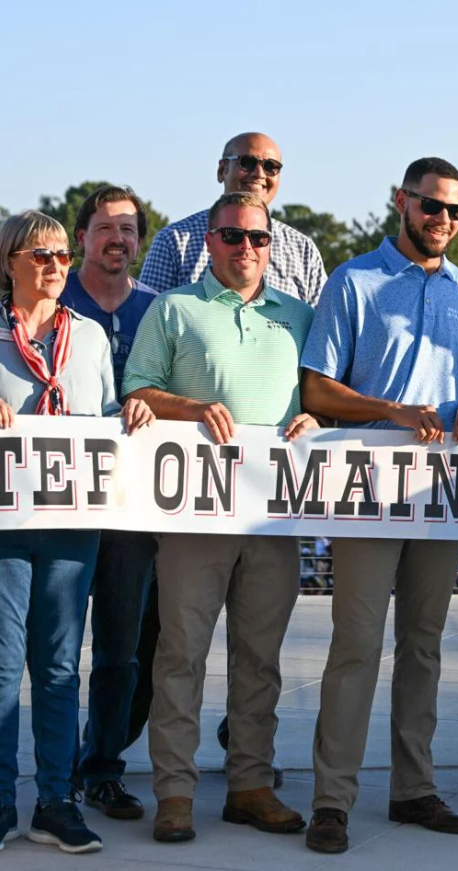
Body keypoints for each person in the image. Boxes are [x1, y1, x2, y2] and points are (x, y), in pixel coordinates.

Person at [300, 157, 458, 854]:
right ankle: (332, 799)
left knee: (424, 645)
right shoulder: (353, 281)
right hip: (367, 487)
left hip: (436, 493)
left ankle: (414, 788)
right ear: (401, 202)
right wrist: (390, 410)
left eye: (455, 211)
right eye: (431, 206)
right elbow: (317, 390)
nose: (443, 220)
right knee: (355, 645)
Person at [123, 191, 317, 843]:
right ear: (209, 242)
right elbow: (137, 391)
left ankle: (250, 785)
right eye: (232, 237)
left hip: (271, 517)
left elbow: (317, 394)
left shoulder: (297, 315)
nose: (246, 249)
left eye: (257, 239)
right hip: (192, 514)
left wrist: (314, 415)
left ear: (272, 244)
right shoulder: (173, 308)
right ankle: (174, 792)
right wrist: (187, 407)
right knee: (180, 655)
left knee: (260, 660)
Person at [0, 211, 153, 854]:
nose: (56, 266)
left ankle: (56, 801)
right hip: (6, 525)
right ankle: (2, 798)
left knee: (60, 668)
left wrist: (134, 409)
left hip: (71, 525)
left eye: (63, 255)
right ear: (9, 261)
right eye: (40, 255)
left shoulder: (89, 338)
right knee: (4, 668)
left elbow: (106, 414)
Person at [60, 185, 159, 820]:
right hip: (61, 508)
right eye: (104, 228)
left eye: (127, 229)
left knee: (124, 651)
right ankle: (54, 770)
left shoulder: (160, 309)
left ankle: (102, 768)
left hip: (132, 509)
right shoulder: (48, 301)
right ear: (81, 239)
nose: (116, 239)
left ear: (140, 242)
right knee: (56, 650)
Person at [139, 132, 326, 304]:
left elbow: (321, 329)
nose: (259, 173)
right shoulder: (175, 242)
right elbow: (149, 319)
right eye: (247, 162)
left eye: (271, 166)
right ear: (222, 170)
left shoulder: (303, 250)